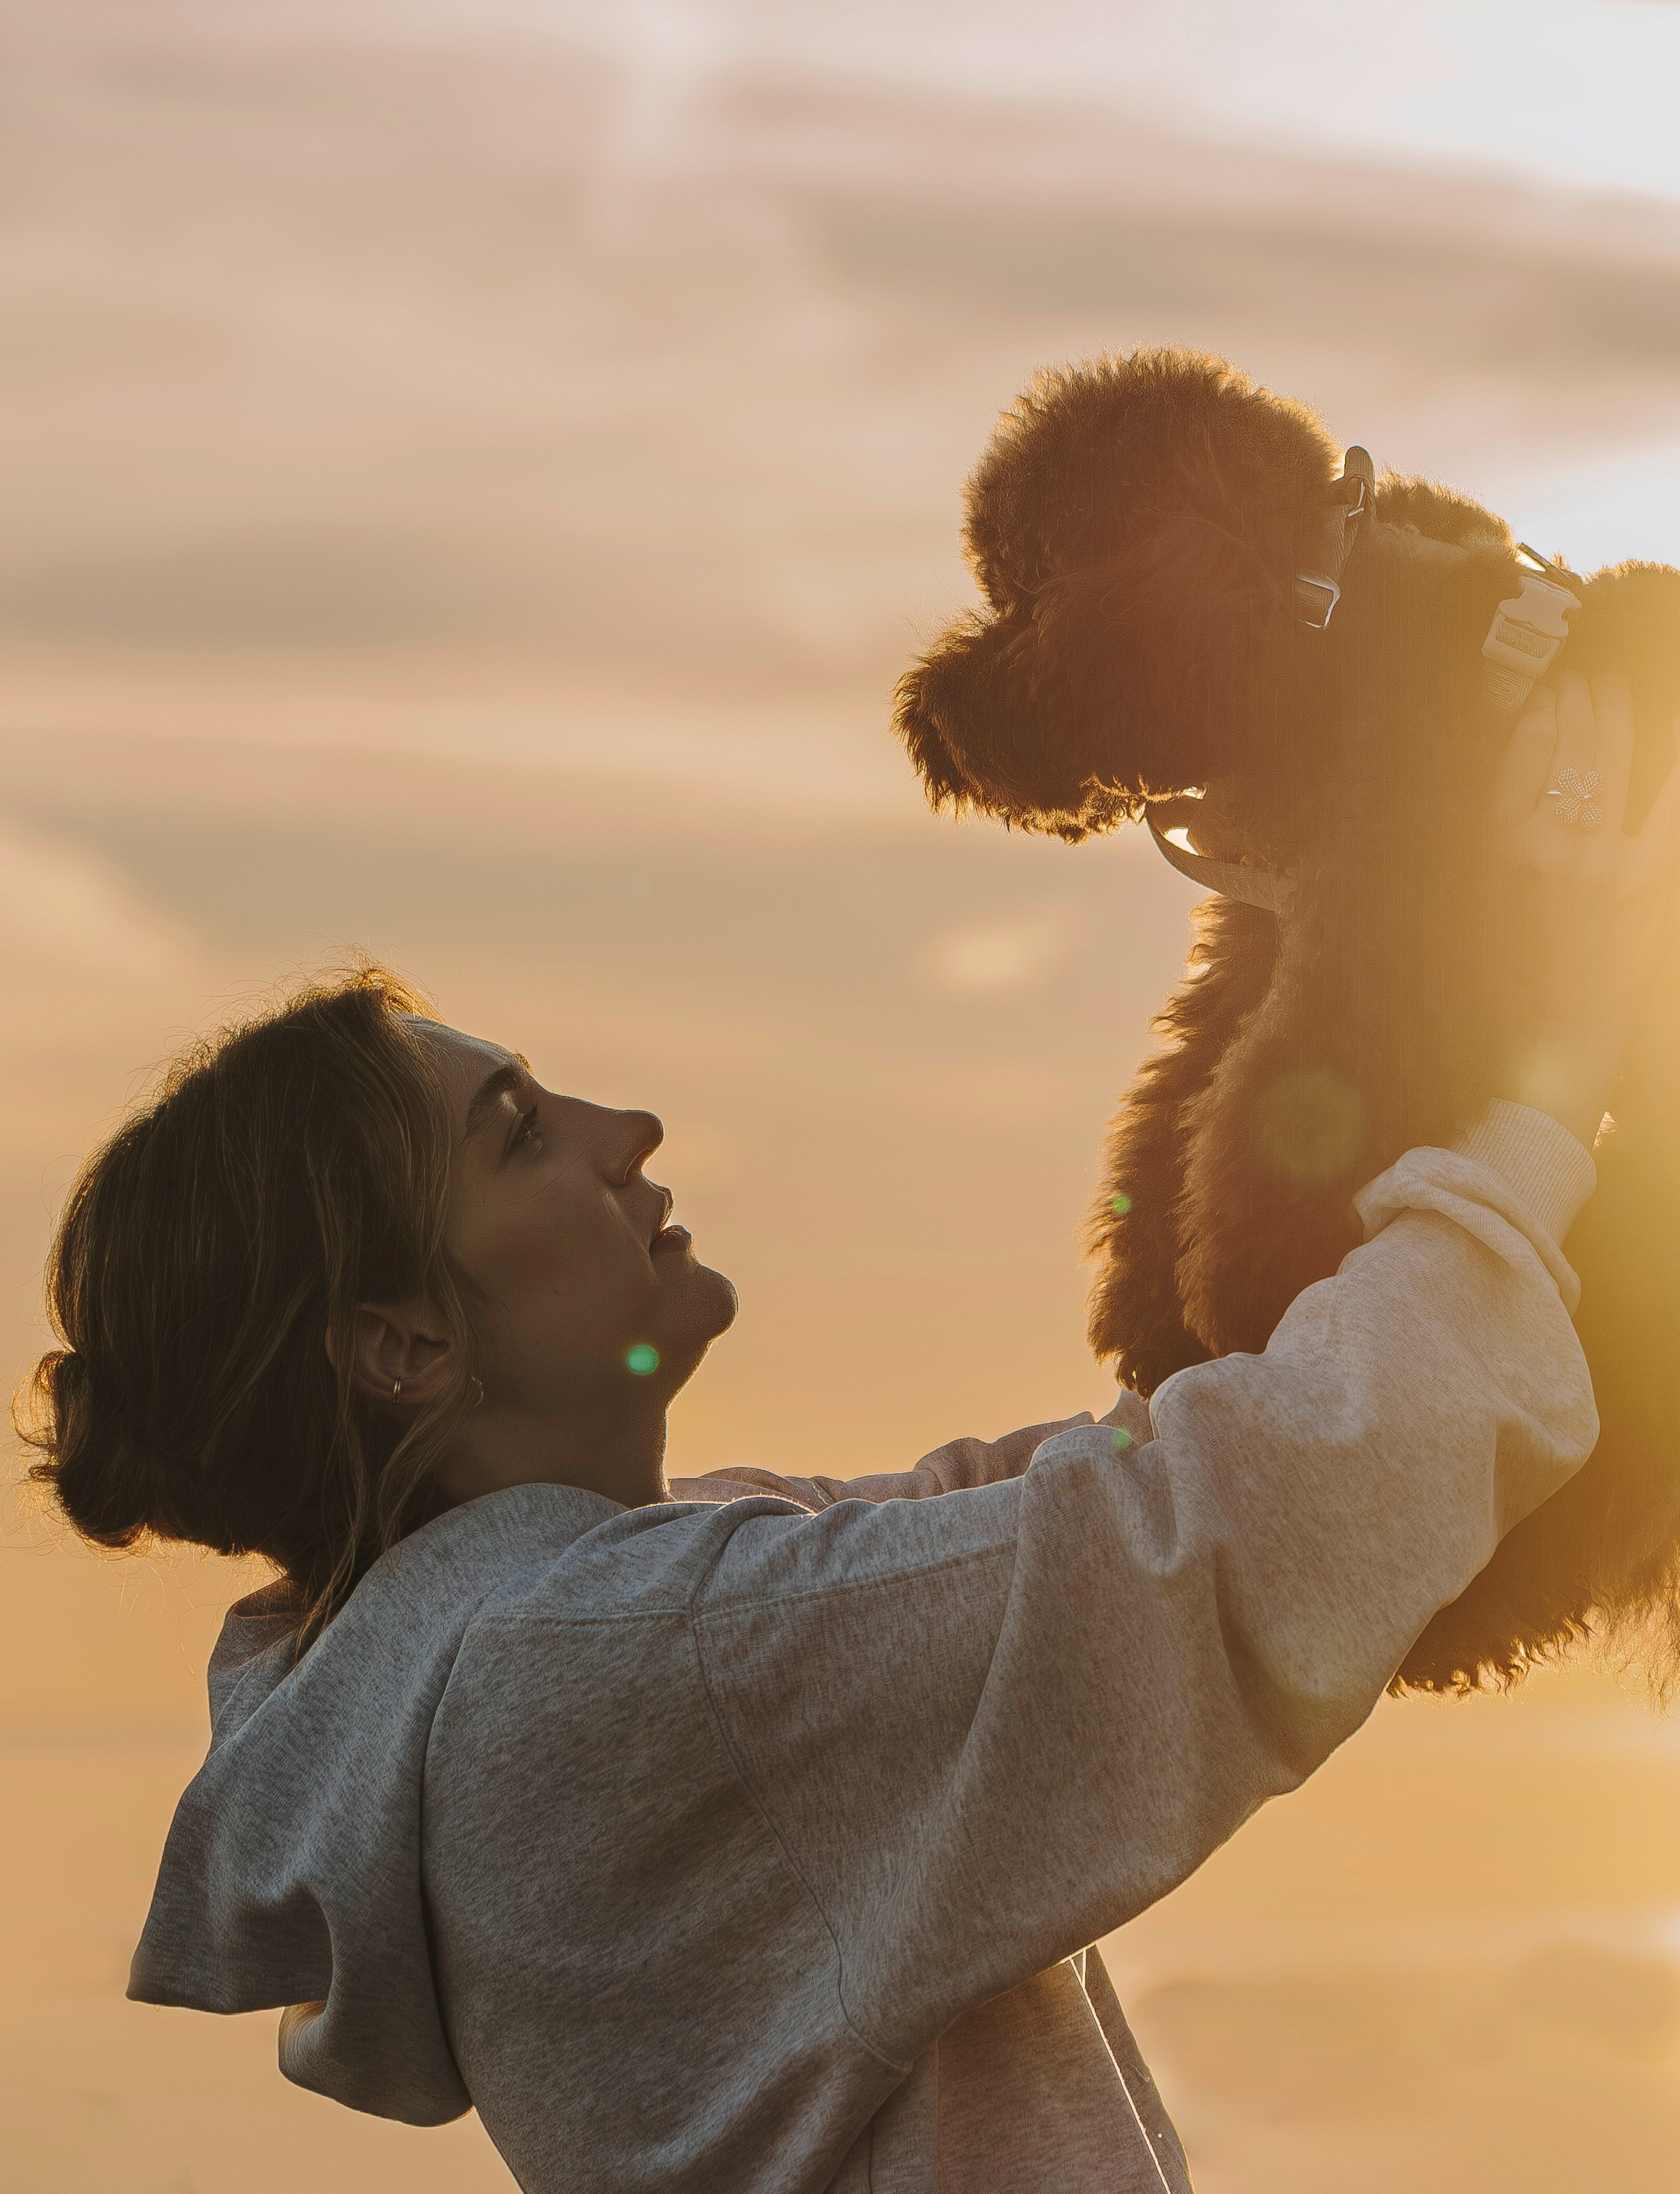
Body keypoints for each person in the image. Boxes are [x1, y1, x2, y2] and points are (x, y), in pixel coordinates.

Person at [20, 677, 1680, 2194]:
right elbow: (1231, 1518)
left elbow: (1077, 1482)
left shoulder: (547, 1645)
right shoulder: (617, 1660)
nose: (627, 1131)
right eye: (522, 1134)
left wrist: (1304, 928)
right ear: (401, 1345)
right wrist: (1542, 1087)